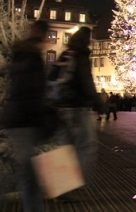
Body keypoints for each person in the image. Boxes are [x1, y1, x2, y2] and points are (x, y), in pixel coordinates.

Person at [2, 21, 49, 212]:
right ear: (42, 38)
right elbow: (33, 92)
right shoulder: (32, 59)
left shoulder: (21, 55)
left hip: (16, 118)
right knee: (27, 174)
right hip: (24, 120)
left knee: (25, 171)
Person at [53, 27, 98, 188]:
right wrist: (97, 102)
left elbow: (51, 76)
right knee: (86, 146)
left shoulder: (66, 53)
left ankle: (59, 186)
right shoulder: (81, 55)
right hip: (75, 108)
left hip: (59, 107)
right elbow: (87, 81)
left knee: (65, 149)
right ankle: (70, 186)